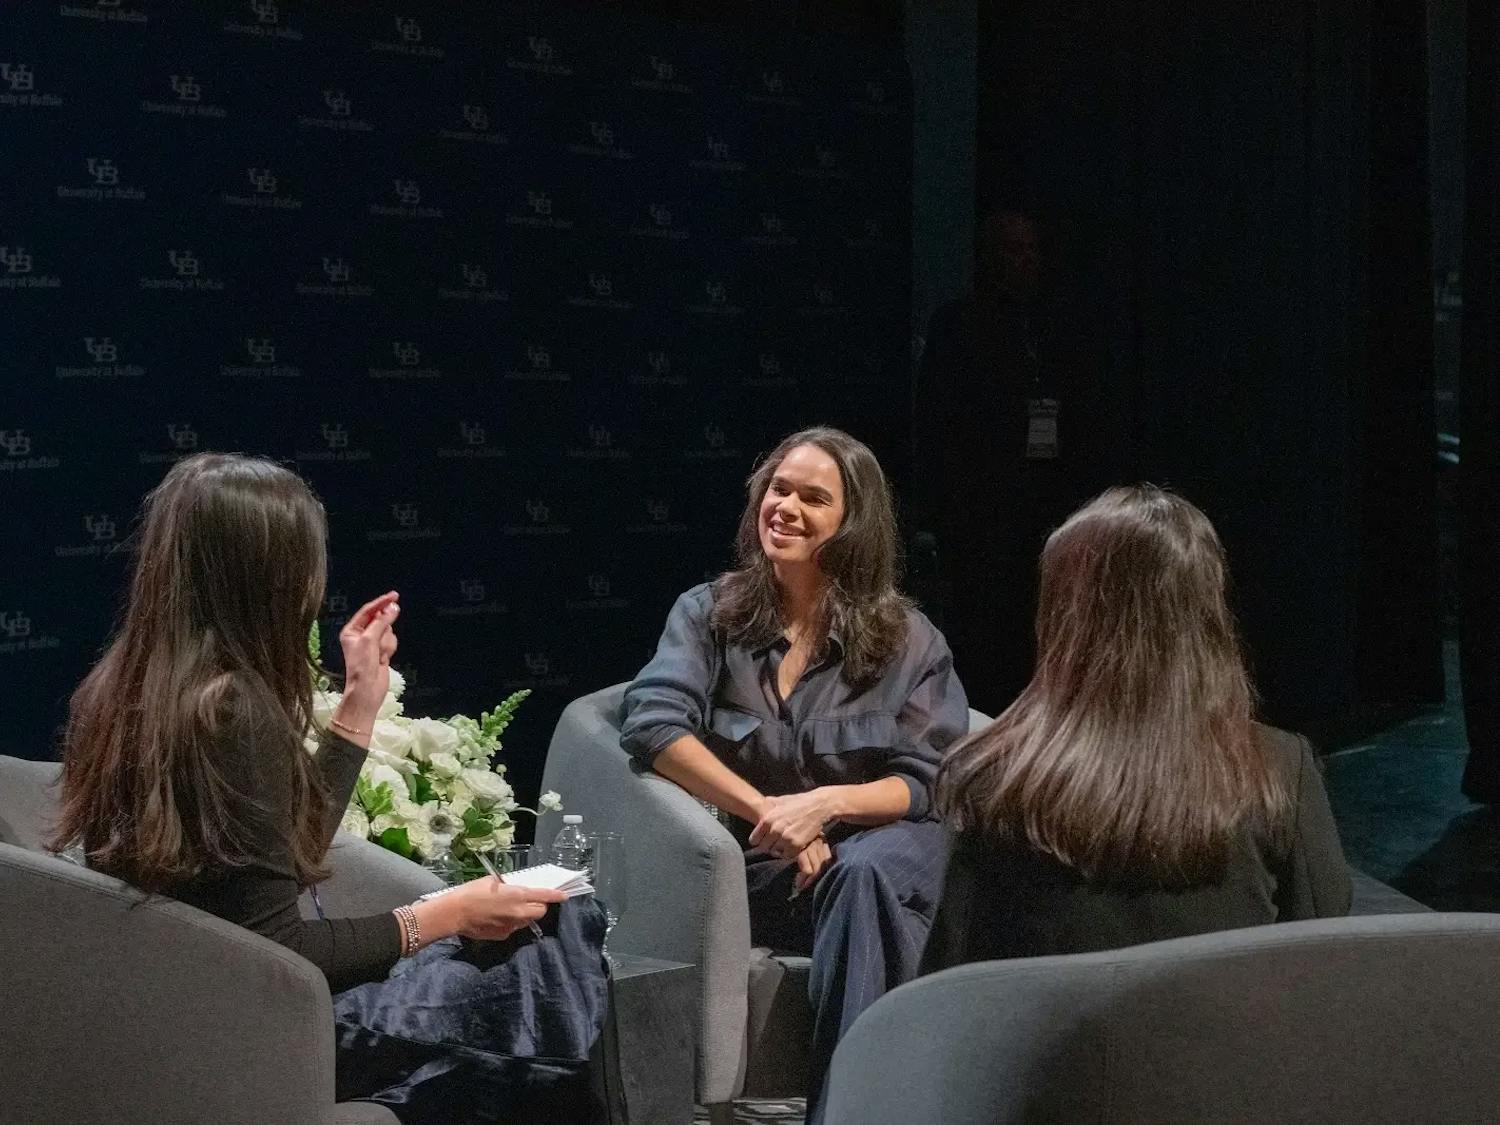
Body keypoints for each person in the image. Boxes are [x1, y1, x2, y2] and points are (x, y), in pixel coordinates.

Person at [50, 453, 601, 1123]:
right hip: (259, 1033)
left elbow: (277, 855)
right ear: (268, 576)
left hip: (182, 1011)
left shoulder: (120, 691)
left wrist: (359, 707)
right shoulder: (230, 710)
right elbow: (281, 948)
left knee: (544, 949)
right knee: (559, 960)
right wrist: (447, 913)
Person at [620, 427, 969, 1124]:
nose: (786, 507)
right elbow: (653, 725)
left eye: (813, 497)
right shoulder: (709, 613)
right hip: (768, 872)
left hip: (884, 856)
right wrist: (769, 814)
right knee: (857, 883)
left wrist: (824, 804)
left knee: (865, 874)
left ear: (853, 522)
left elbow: (929, 778)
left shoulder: (907, 638)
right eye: (779, 489)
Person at [922, 485, 1351, 973]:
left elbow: (953, 982)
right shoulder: (1278, 769)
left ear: (1064, 617)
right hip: (1231, 1046)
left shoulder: (988, 778)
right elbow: (1322, 957)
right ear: (1206, 615)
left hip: (1056, 1049)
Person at [914, 207, 1113, 715]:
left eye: (1032, 250)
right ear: (990, 257)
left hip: (1049, 516)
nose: (1025, 261)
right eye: (1012, 250)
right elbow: (938, 428)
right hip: (982, 521)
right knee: (984, 641)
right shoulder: (959, 327)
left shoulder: (1058, 329)